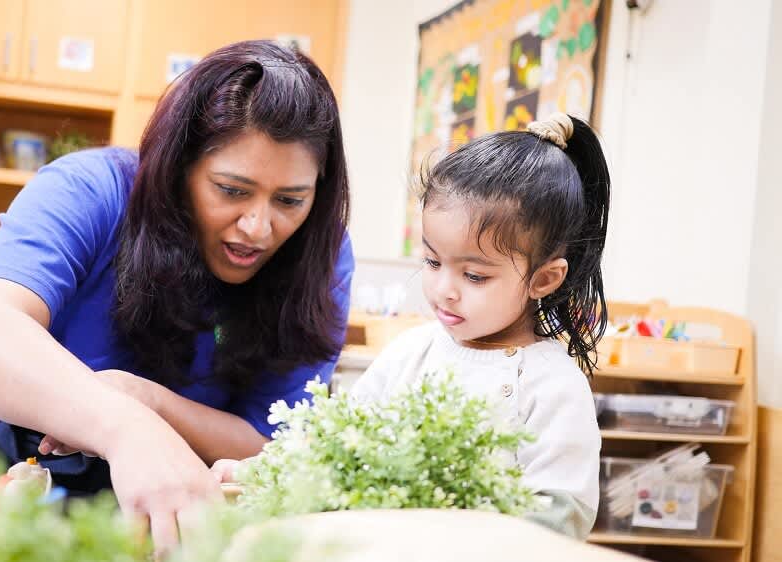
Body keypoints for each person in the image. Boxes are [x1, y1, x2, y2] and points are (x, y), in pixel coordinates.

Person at [0, 40, 353, 550]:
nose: (257, 227)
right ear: (180, 168)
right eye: (231, 190)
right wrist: (125, 424)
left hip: (165, 487)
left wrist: (150, 403)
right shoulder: (93, 188)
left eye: (289, 201)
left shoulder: (321, 259)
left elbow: (269, 443)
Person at [214, 113, 608, 540]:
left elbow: (563, 513)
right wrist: (263, 472)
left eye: (474, 276)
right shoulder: (413, 351)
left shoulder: (554, 385)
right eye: (432, 261)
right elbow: (336, 445)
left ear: (544, 278)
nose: (443, 289)